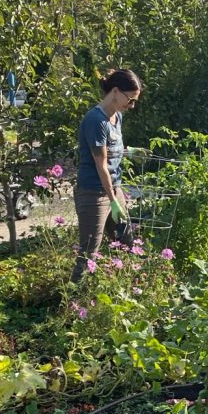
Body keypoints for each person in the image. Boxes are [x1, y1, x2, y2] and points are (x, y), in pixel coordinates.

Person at [72, 68, 144, 282]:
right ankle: (73, 303)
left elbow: (111, 150)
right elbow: (101, 165)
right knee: (89, 251)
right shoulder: (96, 121)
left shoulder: (116, 118)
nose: (131, 106)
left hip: (114, 188)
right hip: (94, 193)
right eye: (130, 99)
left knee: (126, 240)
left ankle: (127, 288)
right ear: (115, 91)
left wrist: (130, 151)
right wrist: (113, 201)